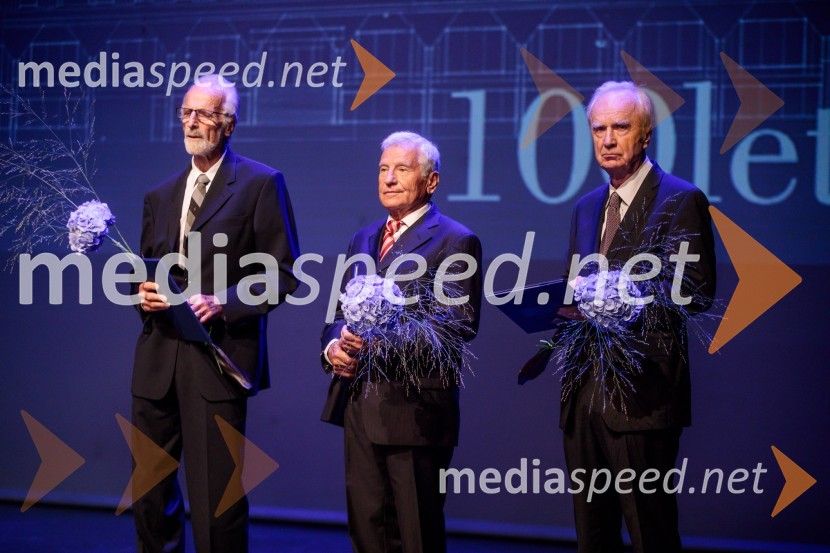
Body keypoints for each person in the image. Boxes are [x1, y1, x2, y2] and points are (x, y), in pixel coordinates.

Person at [133, 74, 299, 552]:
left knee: (215, 502)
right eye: (186, 112)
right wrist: (140, 292)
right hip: (157, 362)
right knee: (149, 496)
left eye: (204, 114)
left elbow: (283, 273)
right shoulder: (160, 194)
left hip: (216, 361)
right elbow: (142, 270)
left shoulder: (261, 183)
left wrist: (222, 300)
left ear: (228, 124)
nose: (191, 122)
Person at [560, 81, 716, 552]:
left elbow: (697, 289)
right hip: (584, 397)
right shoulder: (586, 207)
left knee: (651, 534)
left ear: (645, 134)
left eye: (620, 127)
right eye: (598, 129)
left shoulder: (679, 198)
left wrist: (626, 295)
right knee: (593, 537)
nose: (607, 139)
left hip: (643, 396)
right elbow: (578, 288)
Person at [320, 131, 482, 553]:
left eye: (402, 169)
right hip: (359, 405)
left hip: (415, 412)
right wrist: (334, 347)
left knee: (415, 536)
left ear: (431, 182)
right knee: (367, 532)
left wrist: (379, 345)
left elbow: (456, 325)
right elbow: (337, 315)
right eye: (383, 169)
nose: (389, 179)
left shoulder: (455, 240)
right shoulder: (363, 239)